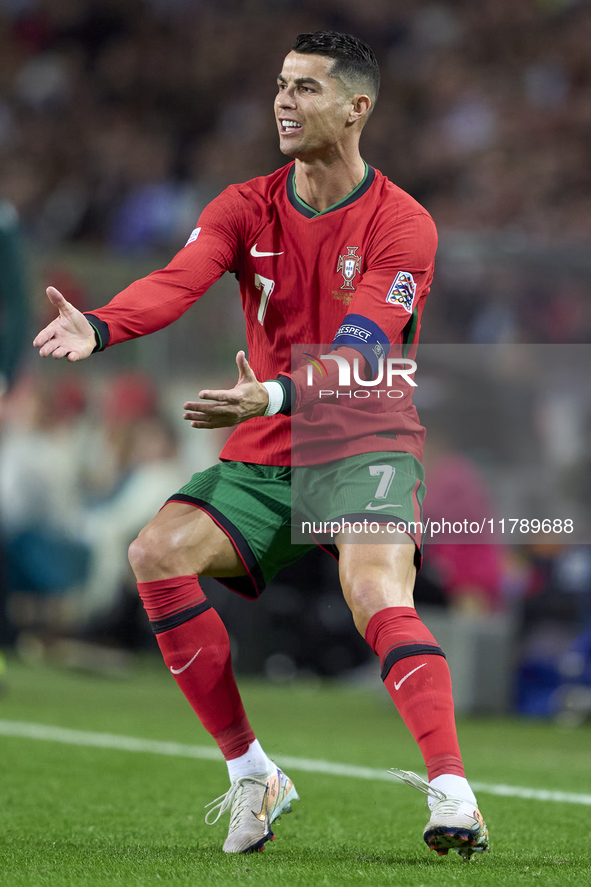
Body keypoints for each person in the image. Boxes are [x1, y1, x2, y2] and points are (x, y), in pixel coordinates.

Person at [34, 31, 489, 859]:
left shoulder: (403, 224)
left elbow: (364, 345)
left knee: (372, 590)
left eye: (306, 88)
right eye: (281, 84)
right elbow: (177, 282)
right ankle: (253, 771)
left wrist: (275, 389)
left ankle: (453, 789)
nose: (283, 100)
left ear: (358, 107)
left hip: (366, 439)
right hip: (267, 448)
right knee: (155, 551)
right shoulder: (245, 204)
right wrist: (100, 325)